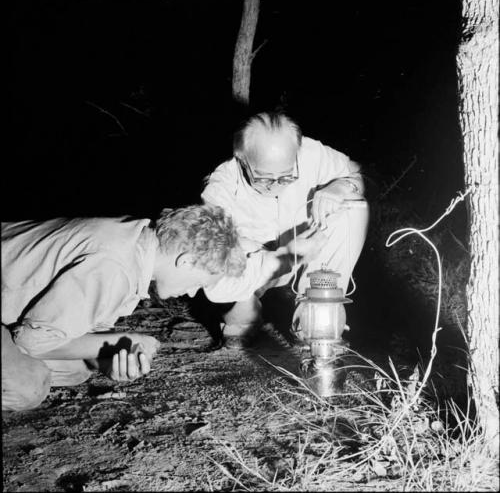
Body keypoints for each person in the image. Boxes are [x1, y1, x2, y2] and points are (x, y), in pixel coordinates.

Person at [1, 204, 247, 411]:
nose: (192, 292)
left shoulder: (136, 244)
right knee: (27, 386)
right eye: (199, 283)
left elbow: (83, 333)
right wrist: (125, 338)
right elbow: (32, 342)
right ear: (186, 261)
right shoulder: (115, 266)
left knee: (77, 369)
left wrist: (108, 363)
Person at [201, 111, 370, 347]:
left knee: (353, 206)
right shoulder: (220, 189)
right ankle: (245, 312)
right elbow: (213, 276)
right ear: (241, 159)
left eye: (287, 176)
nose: (276, 186)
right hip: (259, 267)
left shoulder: (312, 153)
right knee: (240, 314)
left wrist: (341, 187)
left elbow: (357, 175)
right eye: (263, 178)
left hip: (308, 250)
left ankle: (318, 310)